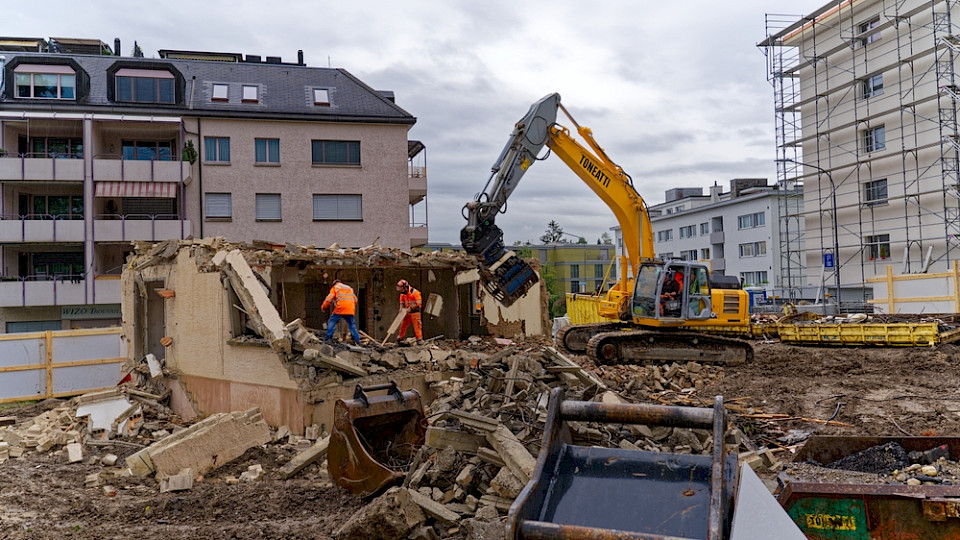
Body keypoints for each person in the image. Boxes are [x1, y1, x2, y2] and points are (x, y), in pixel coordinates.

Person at [321, 279, 362, 345]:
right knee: (352, 324)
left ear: (334, 284)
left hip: (341, 307)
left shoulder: (335, 288)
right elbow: (355, 300)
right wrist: (349, 306)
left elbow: (328, 299)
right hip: (350, 308)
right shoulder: (349, 288)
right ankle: (357, 340)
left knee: (332, 321)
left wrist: (323, 307)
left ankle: (328, 338)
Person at [396, 279, 423, 343]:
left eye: (401, 289)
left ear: (405, 287)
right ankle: (401, 336)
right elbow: (401, 302)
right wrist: (401, 308)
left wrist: (411, 308)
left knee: (417, 326)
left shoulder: (415, 293)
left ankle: (419, 339)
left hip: (415, 312)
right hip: (407, 312)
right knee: (403, 324)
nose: (401, 291)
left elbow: (418, 303)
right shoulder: (403, 294)